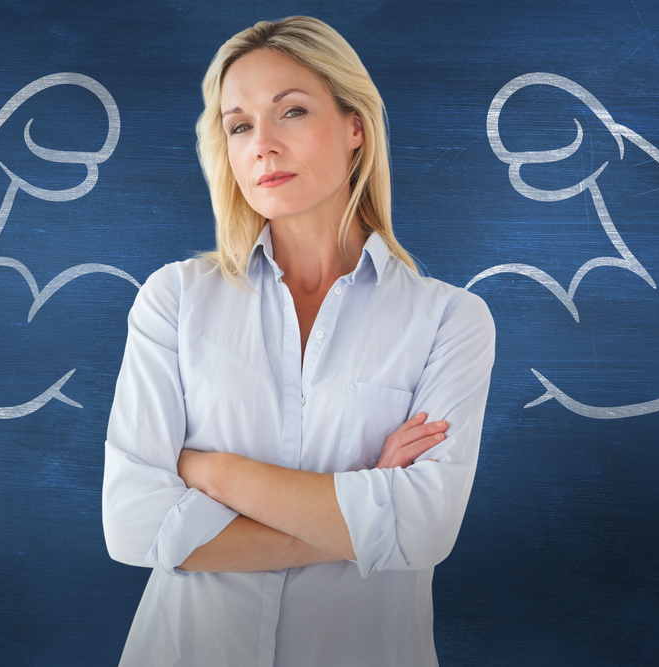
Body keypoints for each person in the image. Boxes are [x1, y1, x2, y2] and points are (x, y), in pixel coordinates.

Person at [102, 16, 495, 667]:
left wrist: (210, 470)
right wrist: (366, 499)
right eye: (239, 124)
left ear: (354, 128)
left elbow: (425, 527)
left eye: (291, 112)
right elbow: (132, 521)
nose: (263, 145)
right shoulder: (173, 300)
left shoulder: (450, 321)